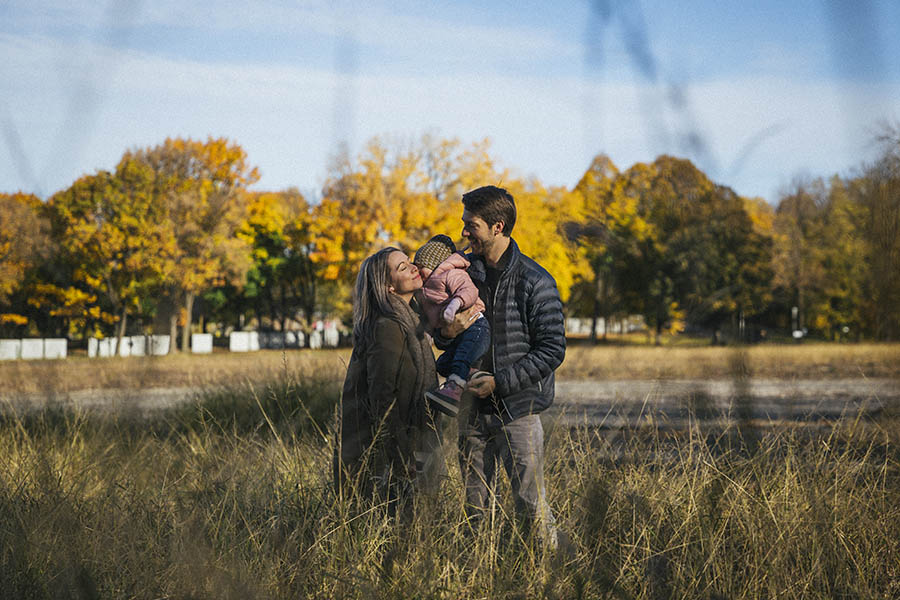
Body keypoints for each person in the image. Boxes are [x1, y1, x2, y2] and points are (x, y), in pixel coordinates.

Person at [443, 185, 567, 549]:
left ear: (498, 227)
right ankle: (479, 576)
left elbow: (552, 350)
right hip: (472, 409)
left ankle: (544, 572)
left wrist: (499, 383)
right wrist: (447, 334)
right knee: (474, 508)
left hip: (519, 410)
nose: (464, 232)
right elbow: (450, 337)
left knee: (529, 503)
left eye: (472, 225)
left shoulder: (536, 280)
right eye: (465, 223)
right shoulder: (466, 277)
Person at [334, 247, 444, 514]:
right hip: (385, 455)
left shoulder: (410, 321)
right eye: (403, 268)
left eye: (409, 262)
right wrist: (402, 454)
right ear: (388, 287)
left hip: (402, 445)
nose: (414, 267)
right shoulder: (388, 326)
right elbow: (382, 398)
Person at [412, 234, 490, 417]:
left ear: (434, 265)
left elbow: (469, 291)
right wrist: (429, 334)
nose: (418, 271)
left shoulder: (452, 274)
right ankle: (471, 374)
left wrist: (455, 304)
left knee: (461, 358)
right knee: (443, 364)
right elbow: (430, 318)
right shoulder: (423, 292)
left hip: (476, 326)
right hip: (458, 334)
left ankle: (453, 392)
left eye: (421, 267)